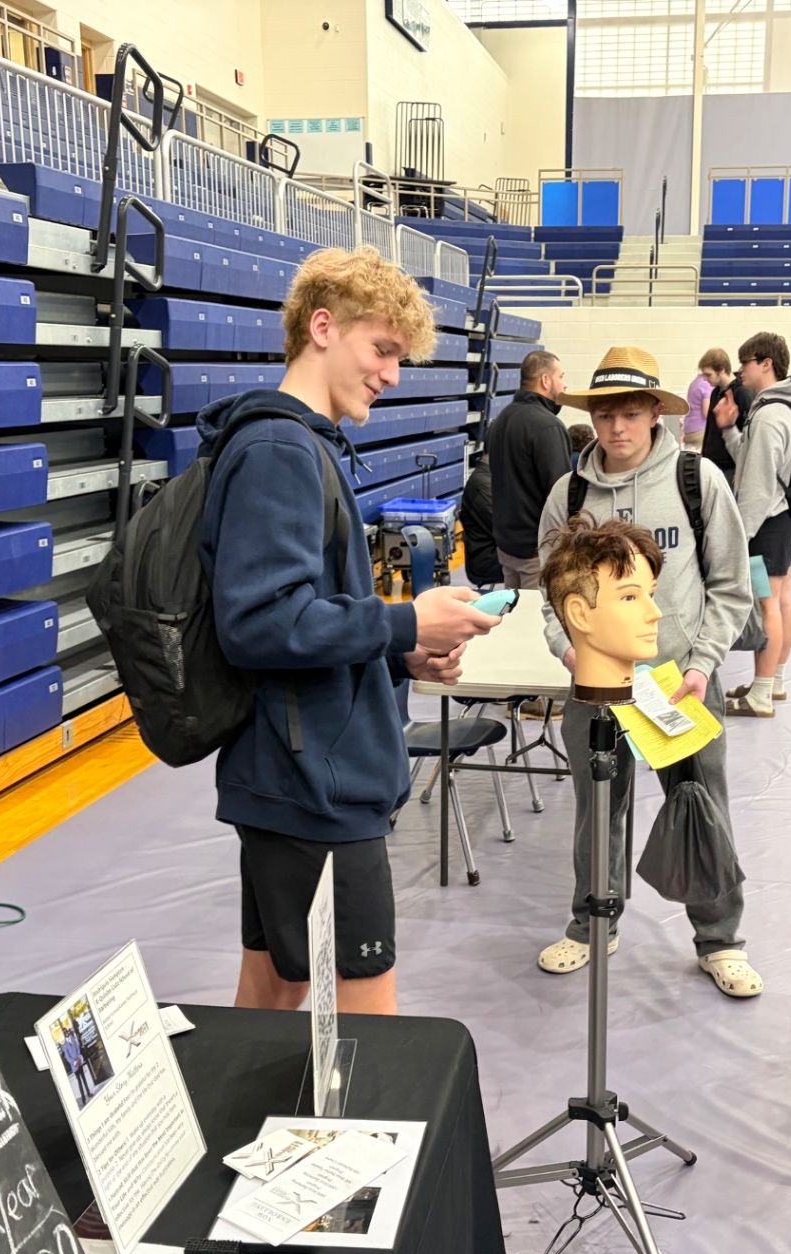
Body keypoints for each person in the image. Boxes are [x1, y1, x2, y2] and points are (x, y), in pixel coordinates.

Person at [200, 246, 501, 1017]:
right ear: (323, 327)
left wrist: (401, 648)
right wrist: (404, 617)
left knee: (276, 985)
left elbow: (311, 615)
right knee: (374, 1030)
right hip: (310, 787)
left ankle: (228, 1119)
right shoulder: (277, 450)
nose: (393, 374)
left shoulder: (307, 446)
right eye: (384, 350)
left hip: (297, 773)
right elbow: (261, 624)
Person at [534, 346, 758, 997]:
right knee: (596, 809)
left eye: (631, 414)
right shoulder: (568, 494)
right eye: (605, 415)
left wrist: (702, 664)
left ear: (655, 415)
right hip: (595, 687)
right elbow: (551, 595)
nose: (617, 429)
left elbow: (730, 584)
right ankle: (592, 923)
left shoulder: (697, 481)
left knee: (701, 805)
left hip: (677, 682)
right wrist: (568, 649)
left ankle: (720, 940)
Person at [717, 332, 791, 717]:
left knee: (767, 605)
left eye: (745, 363)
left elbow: (755, 486)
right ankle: (773, 681)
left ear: (765, 363)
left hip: (765, 523)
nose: (739, 371)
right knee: (782, 600)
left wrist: (738, 537)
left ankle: (760, 695)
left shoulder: (770, 414)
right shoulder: (783, 408)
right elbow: (751, 461)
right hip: (781, 519)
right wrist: (729, 430)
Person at [488, 349, 572, 589]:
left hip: (506, 545)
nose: (564, 385)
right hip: (536, 551)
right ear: (545, 381)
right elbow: (561, 493)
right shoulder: (548, 427)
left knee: (514, 616)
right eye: (561, 377)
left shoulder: (500, 421)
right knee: (537, 620)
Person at [459, 455, 503, 587]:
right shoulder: (483, 485)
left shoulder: (488, 479)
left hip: (492, 555)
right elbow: (502, 529)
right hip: (487, 561)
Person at [684, 348, 731, 451]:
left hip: (691, 429)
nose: (706, 378)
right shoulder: (710, 389)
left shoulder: (695, 383)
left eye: (709, 375)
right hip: (701, 433)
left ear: (722, 370)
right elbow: (707, 414)